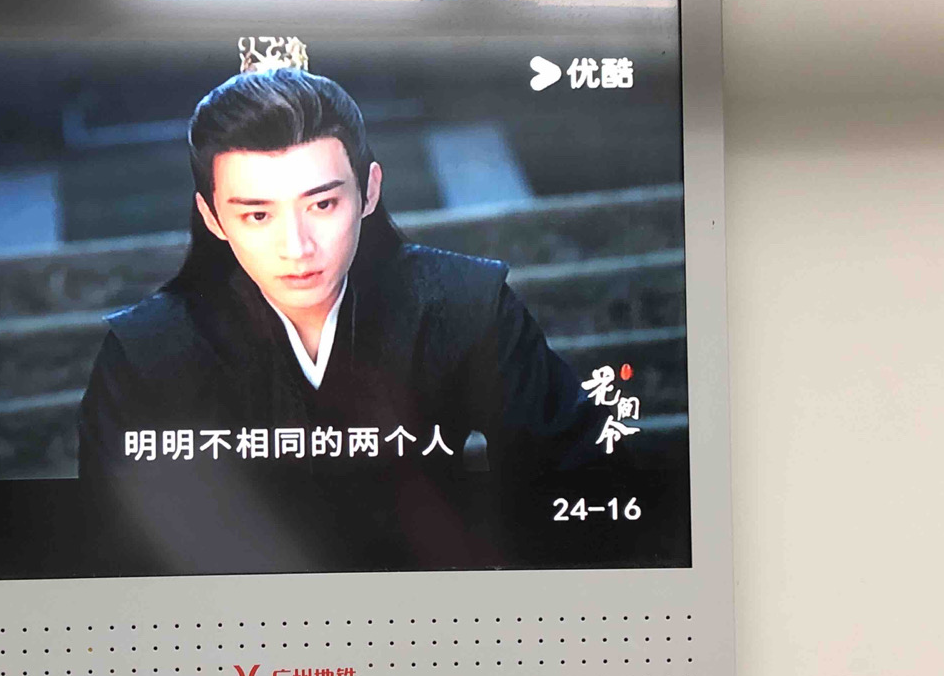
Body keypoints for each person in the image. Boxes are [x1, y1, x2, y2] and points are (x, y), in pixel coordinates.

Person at [76, 66, 597, 575]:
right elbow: (114, 548)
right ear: (212, 217)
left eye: (323, 203)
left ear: (369, 191)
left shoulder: (465, 303)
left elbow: (576, 474)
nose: (297, 247)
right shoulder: (148, 352)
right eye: (257, 215)